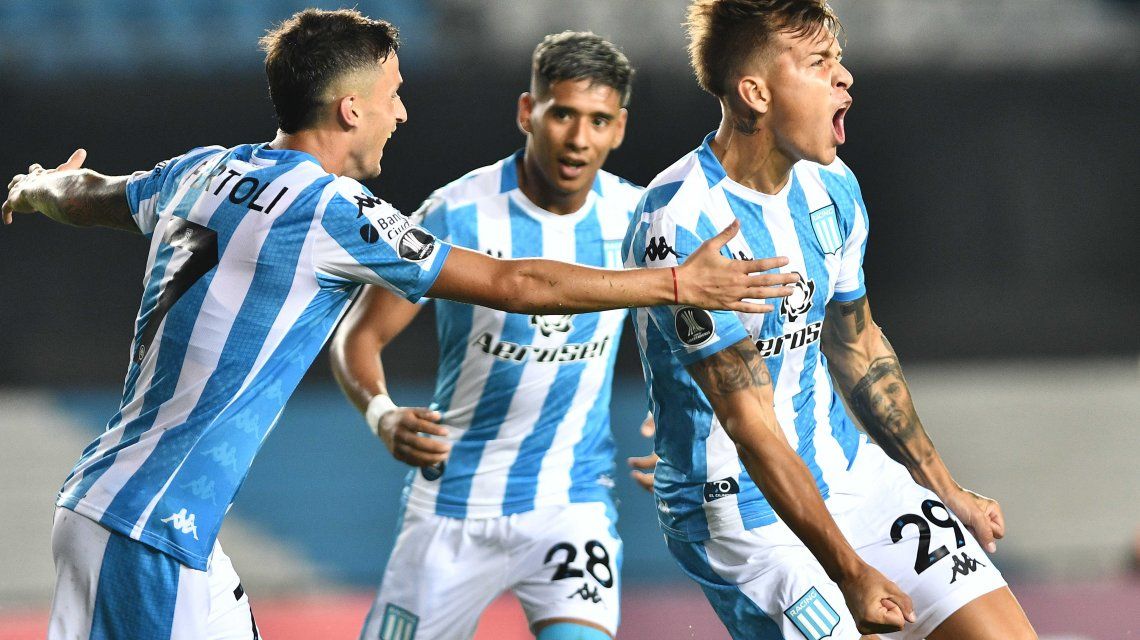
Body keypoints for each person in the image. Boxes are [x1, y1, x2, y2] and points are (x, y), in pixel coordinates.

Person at [0, 9, 798, 640]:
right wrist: (674, 281)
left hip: (139, 515)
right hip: (152, 528)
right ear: (352, 109)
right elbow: (515, 282)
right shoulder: (334, 210)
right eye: (392, 96)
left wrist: (39, 189)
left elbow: (96, 193)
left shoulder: (205, 167)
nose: (403, 113)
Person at [623, 1, 1038, 639]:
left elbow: (857, 345)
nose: (844, 78)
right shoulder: (682, 219)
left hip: (851, 476)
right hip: (742, 513)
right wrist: (849, 571)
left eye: (839, 59)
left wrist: (943, 487)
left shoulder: (832, 186)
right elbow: (750, 425)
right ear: (755, 92)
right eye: (820, 63)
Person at [330, 32, 645, 640]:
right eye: (563, 115)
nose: (579, 139)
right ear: (529, 112)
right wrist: (382, 414)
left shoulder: (635, 222)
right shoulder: (456, 214)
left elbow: (685, 336)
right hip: (452, 505)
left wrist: (684, 423)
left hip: (570, 502)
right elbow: (358, 338)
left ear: (619, 129)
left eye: (599, 120)